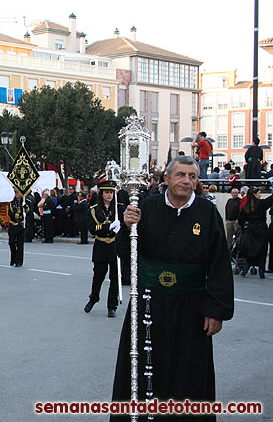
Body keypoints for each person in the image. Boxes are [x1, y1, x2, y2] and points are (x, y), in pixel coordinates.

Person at [111, 156, 234, 420]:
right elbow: (125, 252)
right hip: (148, 303)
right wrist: (127, 227)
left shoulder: (207, 212)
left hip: (191, 307)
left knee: (188, 371)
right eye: (180, 175)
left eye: (192, 176)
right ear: (167, 178)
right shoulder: (147, 207)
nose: (186, 181)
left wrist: (216, 310)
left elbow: (219, 264)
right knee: (145, 369)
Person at [84, 180, 123, 318]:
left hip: (114, 246)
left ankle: (112, 305)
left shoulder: (119, 209)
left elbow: (125, 226)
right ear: (101, 194)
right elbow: (92, 229)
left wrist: (121, 227)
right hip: (101, 246)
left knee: (115, 277)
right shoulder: (94, 210)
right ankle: (94, 298)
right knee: (98, 277)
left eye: (111, 192)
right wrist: (108, 227)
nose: (109, 195)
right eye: (107, 192)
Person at [238, 186, 273, 278]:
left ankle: (245, 269)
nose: (260, 195)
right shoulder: (261, 204)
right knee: (262, 250)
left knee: (251, 250)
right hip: (261, 229)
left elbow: (241, 218)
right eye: (259, 193)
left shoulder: (246, 205)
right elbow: (270, 200)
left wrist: (243, 227)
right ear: (254, 194)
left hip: (251, 229)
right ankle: (261, 272)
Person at [8, 192, 28, 266]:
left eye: (18, 192)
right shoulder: (11, 203)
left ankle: (19, 261)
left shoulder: (25, 202)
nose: (16, 194)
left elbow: (28, 211)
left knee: (20, 244)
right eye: (15, 192)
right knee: (11, 243)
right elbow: (10, 213)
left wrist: (25, 207)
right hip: (13, 225)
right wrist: (17, 216)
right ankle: (13, 258)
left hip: (21, 225)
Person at [224, 188, 241, 252]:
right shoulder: (229, 200)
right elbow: (226, 209)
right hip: (229, 221)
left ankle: (236, 250)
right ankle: (228, 250)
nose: (234, 194)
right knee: (229, 236)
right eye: (233, 193)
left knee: (237, 236)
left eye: (236, 193)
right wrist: (226, 219)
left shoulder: (240, 201)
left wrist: (238, 219)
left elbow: (240, 211)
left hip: (236, 222)